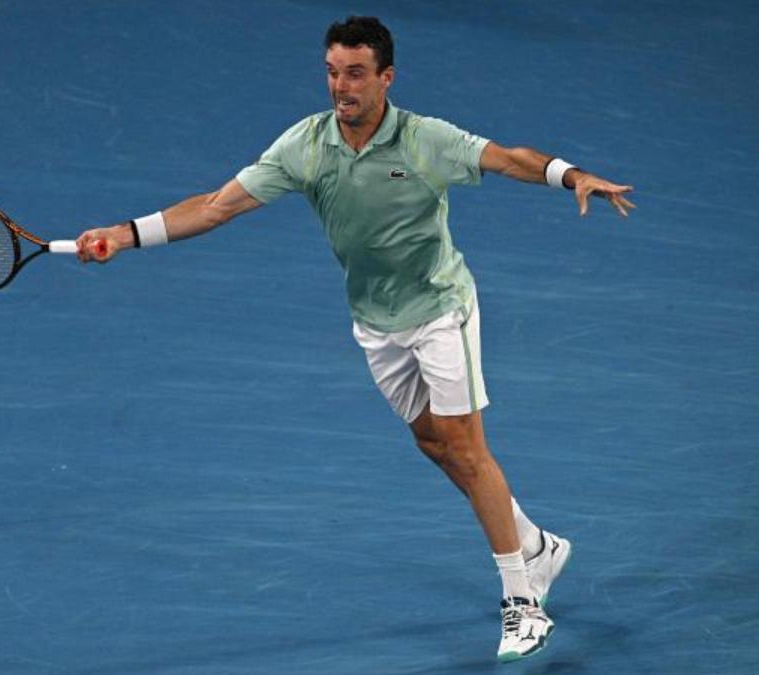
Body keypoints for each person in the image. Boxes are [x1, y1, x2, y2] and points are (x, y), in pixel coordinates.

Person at [74, 15, 634, 662]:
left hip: (440, 308)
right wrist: (124, 232)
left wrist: (572, 175)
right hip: (375, 321)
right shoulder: (305, 146)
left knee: (464, 443)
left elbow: (509, 159)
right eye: (333, 72)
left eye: (357, 73)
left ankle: (523, 600)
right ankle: (536, 544)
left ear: (386, 78)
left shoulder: (425, 140)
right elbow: (216, 204)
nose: (342, 86)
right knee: (432, 442)